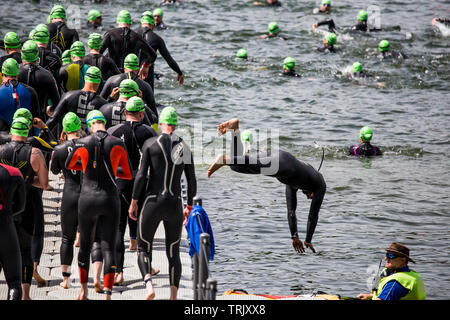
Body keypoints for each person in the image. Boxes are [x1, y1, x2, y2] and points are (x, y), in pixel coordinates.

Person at [207, 118, 326, 254]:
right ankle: (225, 159)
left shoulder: (292, 184)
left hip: (279, 155)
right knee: (252, 165)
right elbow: (313, 215)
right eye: (311, 197)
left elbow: (291, 211)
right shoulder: (320, 185)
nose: (309, 198)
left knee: (236, 166)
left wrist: (294, 236)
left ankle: (234, 130)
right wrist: (308, 240)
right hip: (284, 163)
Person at [129, 106, 197, 300]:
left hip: (152, 201)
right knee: (173, 252)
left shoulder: (150, 144)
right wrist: (189, 206)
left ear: (160, 124)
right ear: (175, 124)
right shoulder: (184, 147)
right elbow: (191, 181)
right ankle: (173, 297)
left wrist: (134, 202)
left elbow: (141, 176)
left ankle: (149, 285)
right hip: (174, 203)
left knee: (143, 247)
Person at [65, 110, 132, 300]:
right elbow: (127, 174)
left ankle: (84, 291)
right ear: (104, 123)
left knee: (85, 246)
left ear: (89, 125)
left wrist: (86, 167)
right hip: (110, 199)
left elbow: (70, 165)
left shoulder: (82, 142)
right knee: (108, 247)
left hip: (87, 199)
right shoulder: (118, 143)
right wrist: (112, 167)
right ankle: (108, 295)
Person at [107, 96, 157, 285]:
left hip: (119, 181)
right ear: (142, 114)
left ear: (124, 112)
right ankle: (147, 266)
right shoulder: (149, 131)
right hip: (139, 182)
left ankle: (119, 273)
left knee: (118, 228)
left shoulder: (113, 131)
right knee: (143, 226)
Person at [0, 117, 51, 300]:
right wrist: (27, 181)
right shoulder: (35, 153)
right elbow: (45, 184)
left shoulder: (1, 150)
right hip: (27, 204)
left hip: (4, 205)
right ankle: (26, 294)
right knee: (25, 250)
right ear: (27, 132)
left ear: (12, 131)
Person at [50, 112, 83, 289]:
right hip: (87, 194)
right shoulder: (89, 144)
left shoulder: (59, 150)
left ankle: (66, 280)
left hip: (69, 194)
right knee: (91, 240)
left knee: (66, 239)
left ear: (64, 129)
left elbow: (54, 171)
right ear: (79, 127)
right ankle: (93, 278)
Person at [46, 66, 107, 131]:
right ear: (99, 81)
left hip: (70, 138)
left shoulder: (68, 96)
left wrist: (39, 136)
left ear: (85, 78)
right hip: (91, 140)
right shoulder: (103, 103)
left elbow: (53, 120)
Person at [134, 11, 184, 91]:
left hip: (130, 73)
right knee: (148, 101)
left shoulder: (131, 34)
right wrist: (179, 72)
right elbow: (169, 59)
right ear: (152, 23)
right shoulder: (156, 39)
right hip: (147, 76)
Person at [357, 242, 426, 300]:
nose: (386, 258)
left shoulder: (397, 282)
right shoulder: (410, 274)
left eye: (391, 255)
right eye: (386, 254)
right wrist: (370, 296)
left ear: (403, 260)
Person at [100, 10, 157, 75]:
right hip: (130, 75)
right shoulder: (137, 37)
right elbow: (153, 55)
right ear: (130, 23)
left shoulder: (110, 34)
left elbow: (98, 53)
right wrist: (145, 66)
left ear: (118, 22)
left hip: (112, 76)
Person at [100, 53, 157, 117]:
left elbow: (99, 104)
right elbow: (154, 116)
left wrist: (110, 98)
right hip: (135, 121)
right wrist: (140, 103)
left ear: (124, 67)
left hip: (114, 119)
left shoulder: (112, 80)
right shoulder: (145, 86)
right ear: (138, 68)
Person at [0, 163, 26, 300]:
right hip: (5, 225)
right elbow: (21, 206)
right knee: (14, 283)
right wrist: (8, 213)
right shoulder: (13, 172)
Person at [18, 40, 60, 122]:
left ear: (22, 56)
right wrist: (50, 108)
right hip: (39, 120)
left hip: (18, 119)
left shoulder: (16, 73)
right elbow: (57, 102)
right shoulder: (47, 75)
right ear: (37, 57)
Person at [0, 58, 40, 132]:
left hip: (4, 138)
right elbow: (36, 119)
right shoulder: (30, 91)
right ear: (17, 75)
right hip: (25, 137)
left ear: (2, 74)